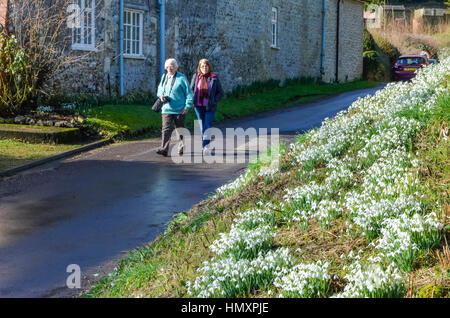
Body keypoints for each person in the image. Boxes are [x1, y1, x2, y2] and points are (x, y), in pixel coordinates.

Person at [156, 58, 193, 157]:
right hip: (166, 108)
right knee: (166, 129)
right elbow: (160, 90)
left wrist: (187, 107)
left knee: (179, 129)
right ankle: (164, 149)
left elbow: (189, 94)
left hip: (179, 109)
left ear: (176, 67)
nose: (170, 68)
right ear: (165, 67)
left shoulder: (181, 78)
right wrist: (161, 96)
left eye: (172, 65)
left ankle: (182, 146)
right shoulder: (164, 77)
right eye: (167, 66)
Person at [190, 58, 224, 155]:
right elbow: (191, 89)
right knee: (202, 126)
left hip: (210, 106)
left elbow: (220, 93)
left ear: (209, 67)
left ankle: (205, 146)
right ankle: (205, 145)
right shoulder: (196, 76)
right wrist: (192, 100)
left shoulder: (214, 77)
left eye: (206, 66)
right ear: (199, 67)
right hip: (198, 105)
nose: (204, 68)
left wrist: (214, 100)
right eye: (202, 66)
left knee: (207, 125)